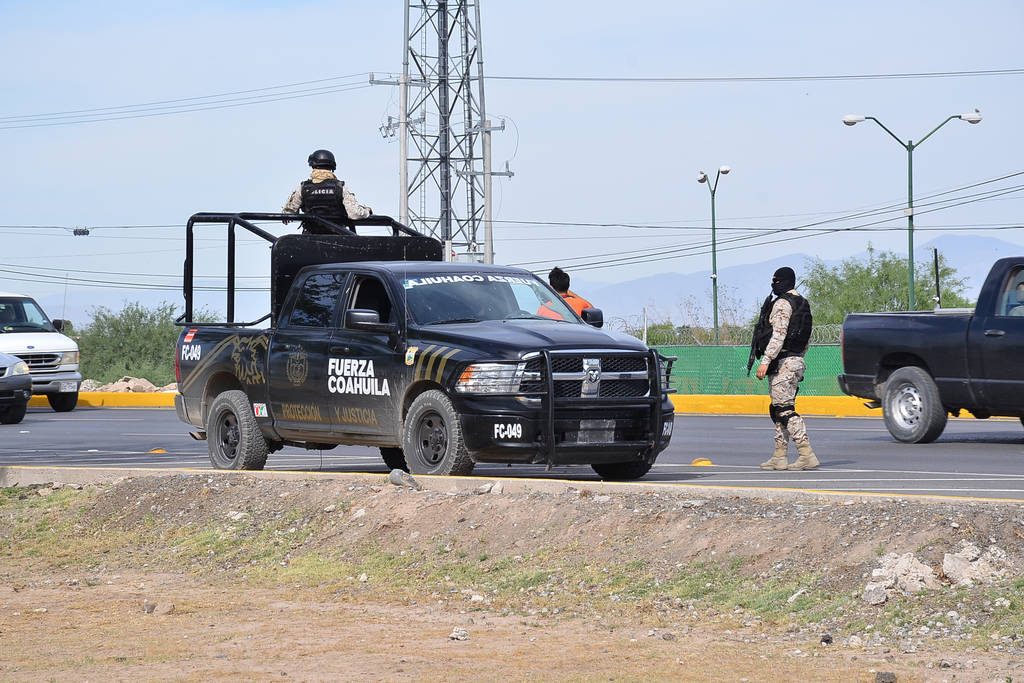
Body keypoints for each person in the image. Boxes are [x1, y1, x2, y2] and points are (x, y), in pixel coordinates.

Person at [752, 266, 818, 471]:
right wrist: (797, 358)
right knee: (778, 410)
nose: (774, 285)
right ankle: (779, 455)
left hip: (783, 363)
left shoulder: (782, 304)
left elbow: (778, 334)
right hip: (795, 361)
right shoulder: (802, 303)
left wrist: (766, 360)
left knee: (785, 410)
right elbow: (805, 337)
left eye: (777, 281)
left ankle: (806, 453)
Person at [282, 149, 373, 234]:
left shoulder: (303, 188)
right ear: (332, 168)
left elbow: (289, 213)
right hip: (337, 237)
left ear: (313, 166)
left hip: (310, 239)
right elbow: (355, 213)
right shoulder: (340, 187)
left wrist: (286, 214)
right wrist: (367, 211)